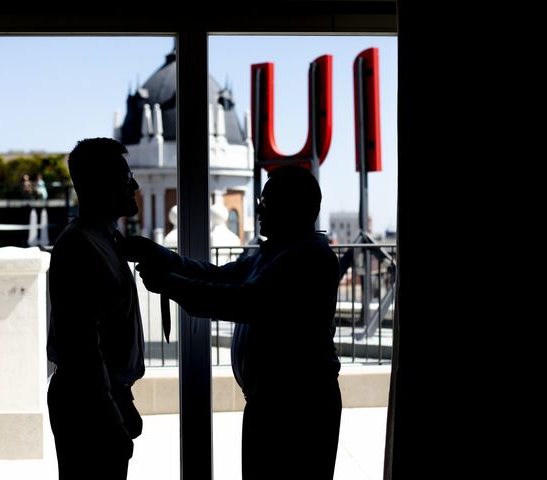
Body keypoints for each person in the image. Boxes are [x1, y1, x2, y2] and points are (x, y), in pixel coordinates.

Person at [125, 165, 342, 479]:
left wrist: (168, 283)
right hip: (272, 403)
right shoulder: (274, 252)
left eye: (265, 204)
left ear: (295, 207)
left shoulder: (308, 256)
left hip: (298, 409)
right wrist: (163, 257)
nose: (258, 212)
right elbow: (219, 276)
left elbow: (240, 301)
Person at [46, 137, 144, 480]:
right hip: (87, 405)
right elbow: (83, 351)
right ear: (98, 185)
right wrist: (112, 417)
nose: (133, 184)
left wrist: (124, 400)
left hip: (103, 398)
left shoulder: (106, 240)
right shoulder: (80, 248)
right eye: (125, 176)